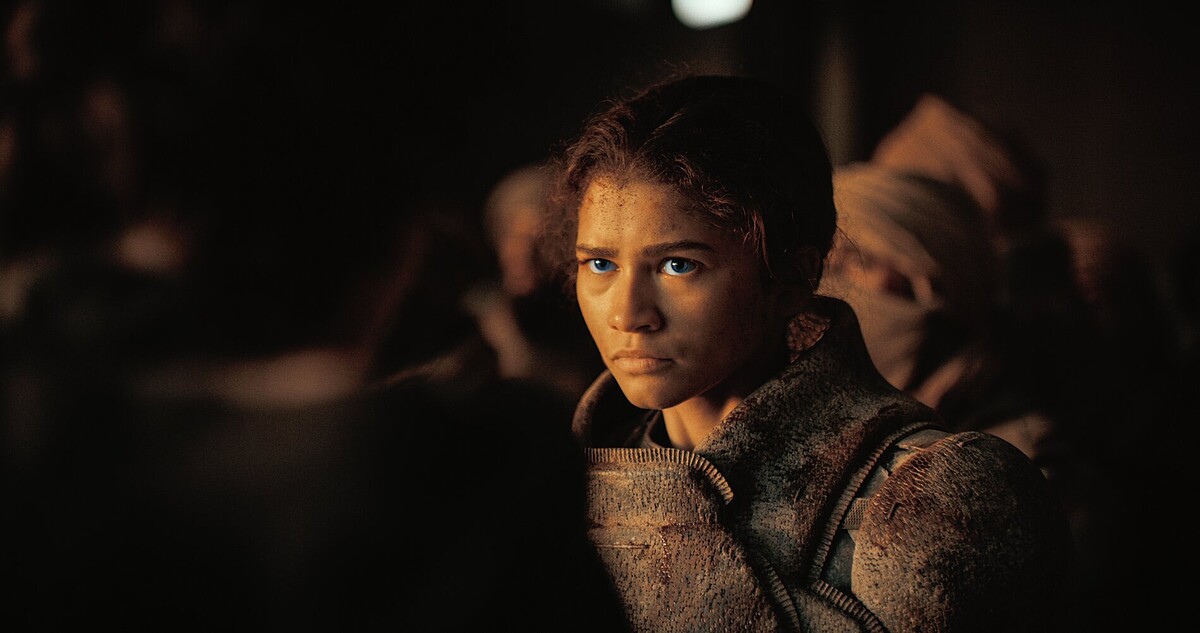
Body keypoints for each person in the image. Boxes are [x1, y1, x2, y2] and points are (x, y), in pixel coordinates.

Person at [541, 74, 1074, 632]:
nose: (628, 314)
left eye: (679, 265)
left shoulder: (932, 503)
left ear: (792, 279)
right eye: (600, 264)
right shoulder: (557, 488)